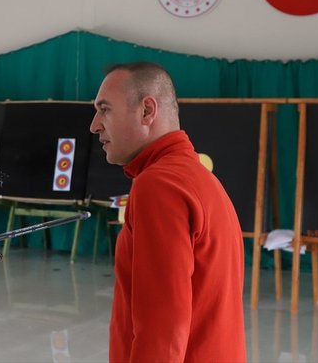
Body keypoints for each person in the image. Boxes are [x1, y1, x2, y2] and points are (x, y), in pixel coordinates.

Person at [90, 62, 246, 363]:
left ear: (147, 111)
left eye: (105, 109)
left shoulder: (159, 184)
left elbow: (162, 327)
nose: (94, 124)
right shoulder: (197, 178)